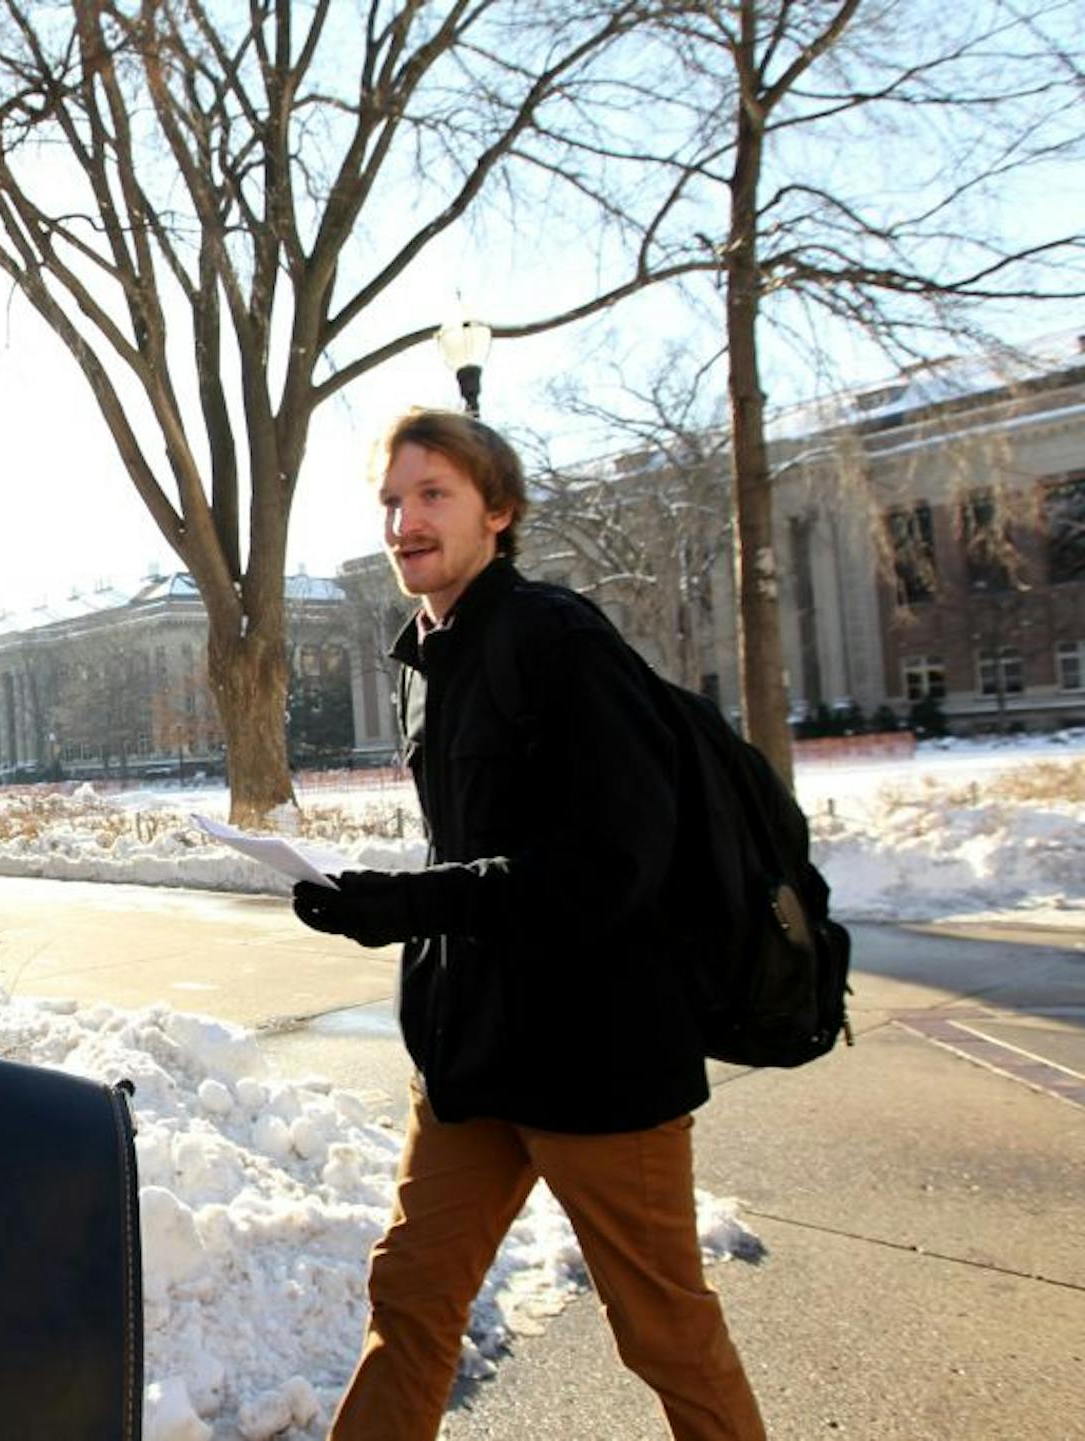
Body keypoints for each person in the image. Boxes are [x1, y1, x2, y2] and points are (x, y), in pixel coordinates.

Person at [292, 409, 765, 1440]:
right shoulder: (428, 657)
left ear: (497, 510)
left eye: (433, 495)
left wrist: (407, 904)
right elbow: (477, 853)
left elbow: (610, 865)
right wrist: (389, 912)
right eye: (391, 500)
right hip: (473, 1058)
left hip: (597, 1060)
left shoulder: (558, 640)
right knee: (411, 1300)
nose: (404, 521)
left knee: (664, 1333)